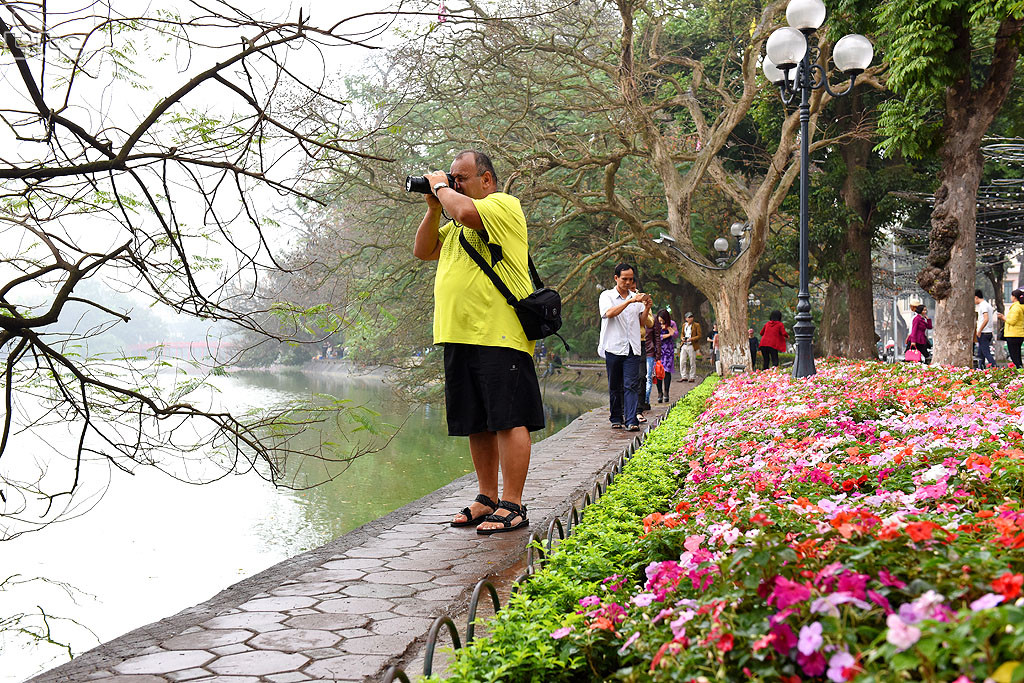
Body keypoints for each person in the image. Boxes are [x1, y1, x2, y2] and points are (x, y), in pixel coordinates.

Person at [414, 150, 542, 535]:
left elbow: (467, 212)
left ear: (486, 180)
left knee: (509, 418)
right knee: (477, 422)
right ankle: (487, 498)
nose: (454, 184)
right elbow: (423, 251)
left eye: (461, 178)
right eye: (451, 178)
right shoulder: (453, 220)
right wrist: (433, 208)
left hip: (499, 333)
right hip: (458, 334)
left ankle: (514, 504)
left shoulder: (502, 206)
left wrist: (439, 185)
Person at [598, 263, 653, 432]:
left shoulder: (636, 297)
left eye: (631, 279)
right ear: (616, 278)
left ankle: (631, 420)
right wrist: (630, 301)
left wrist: (647, 307)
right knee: (615, 385)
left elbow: (642, 322)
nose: (628, 282)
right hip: (613, 346)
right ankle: (616, 417)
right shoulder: (607, 296)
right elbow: (609, 314)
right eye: (624, 279)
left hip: (633, 347)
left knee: (631, 384)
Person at [654, 309, 678, 402]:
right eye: (659, 320)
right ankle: (659, 392)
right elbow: (657, 337)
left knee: (667, 371)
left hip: (668, 350)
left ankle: (666, 392)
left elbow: (675, 335)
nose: (661, 322)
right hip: (659, 350)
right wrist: (668, 335)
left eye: (662, 320)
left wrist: (668, 327)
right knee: (658, 371)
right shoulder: (656, 324)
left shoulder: (672, 323)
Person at [998, 288, 1024, 368]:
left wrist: (1002, 317)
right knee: (1017, 354)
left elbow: (1012, 321)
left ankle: (1018, 370)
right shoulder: (1021, 306)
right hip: (1019, 334)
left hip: (1013, 334)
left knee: (1014, 355)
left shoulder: (1016, 308)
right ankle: (1020, 370)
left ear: (1014, 297)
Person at [975, 289, 996, 369]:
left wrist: (979, 330)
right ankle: (981, 369)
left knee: (986, 353)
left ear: (976, 297)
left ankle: (995, 367)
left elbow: (986, 318)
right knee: (981, 354)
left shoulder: (983, 305)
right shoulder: (988, 305)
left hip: (983, 332)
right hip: (988, 332)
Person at [679, 312, 701, 382]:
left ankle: (692, 377)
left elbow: (699, 335)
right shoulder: (684, 325)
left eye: (691, 317)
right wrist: (682, 338)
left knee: (692, 362)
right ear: (686, 318)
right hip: (684, 345)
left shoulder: (696, 325)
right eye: (689, 317)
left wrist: (691, 339)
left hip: (692, 345)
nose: (690, 318)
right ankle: (684, 376)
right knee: (682, 361)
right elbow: (682, 334)